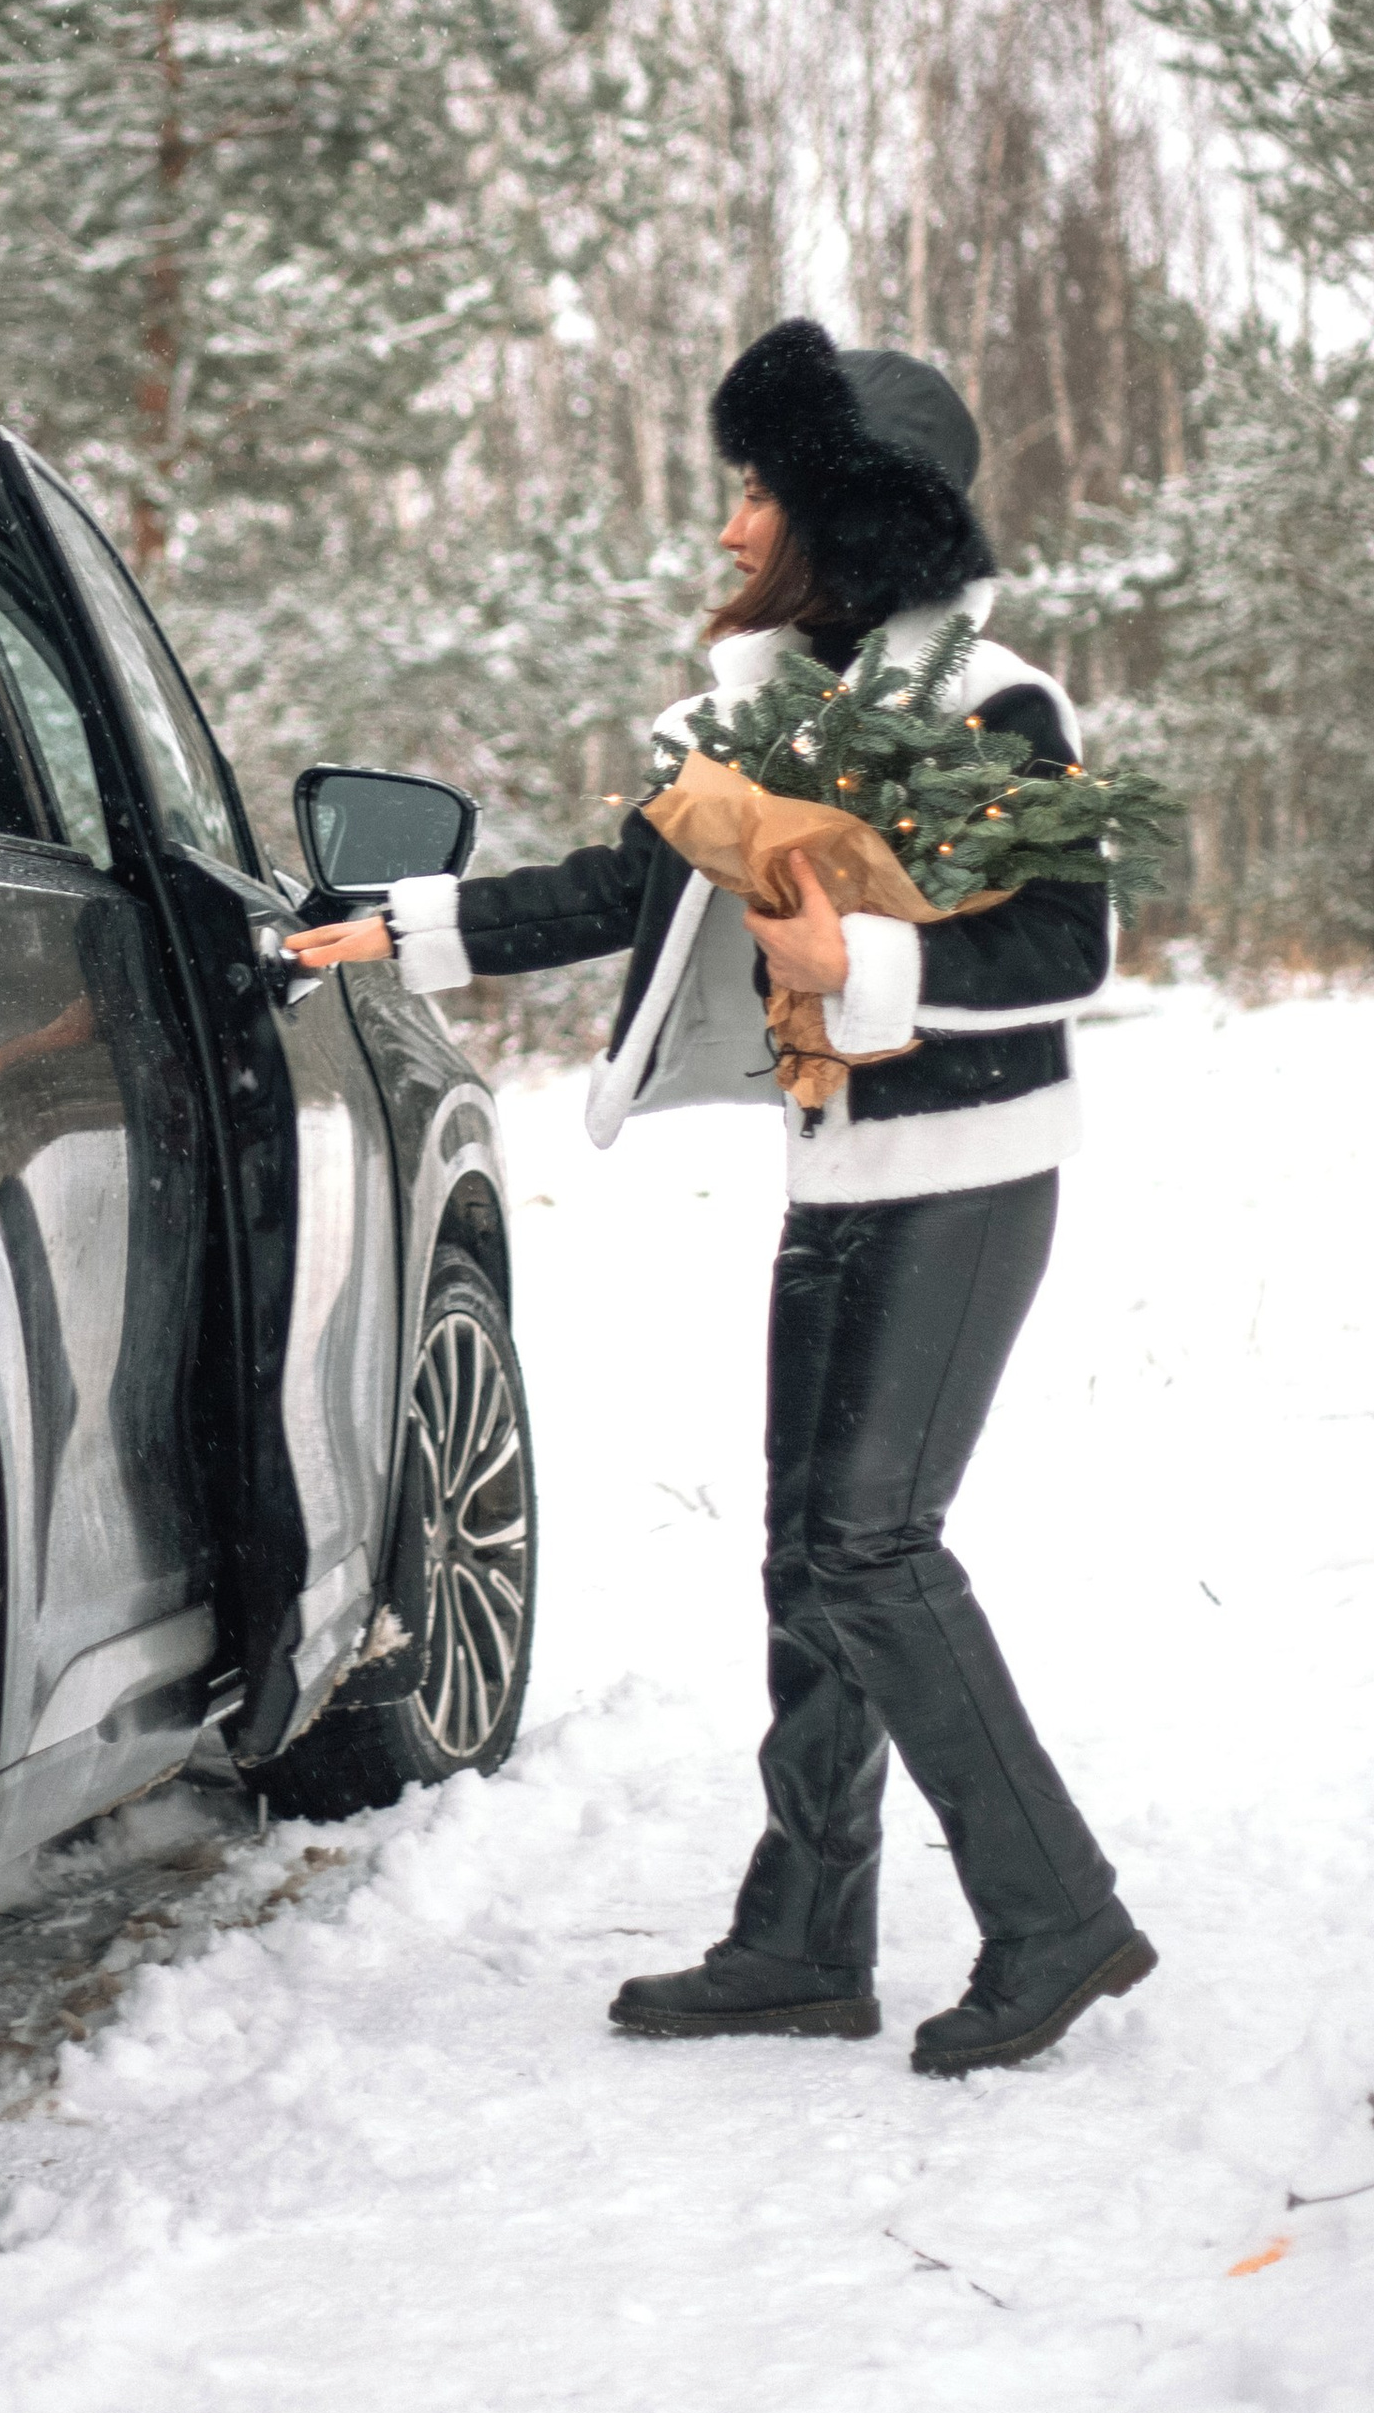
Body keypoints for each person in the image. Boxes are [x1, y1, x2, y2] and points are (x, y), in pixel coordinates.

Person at [286, 315, 1154, 2078]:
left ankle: (1054, 1910)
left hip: (972, 1179)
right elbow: (620, 888)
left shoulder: (995, 703)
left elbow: (1070, 939)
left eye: (761, 493)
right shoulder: (763, 724)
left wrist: (868, 961)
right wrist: (397, 929)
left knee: (872, 1545)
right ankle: (804, 1930)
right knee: (800, 1557)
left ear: (853, 521)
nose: (731, 525)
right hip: (837, 1175)